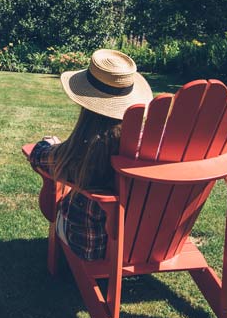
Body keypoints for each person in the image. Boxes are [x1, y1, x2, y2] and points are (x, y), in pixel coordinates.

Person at [29, 48, 154, 262]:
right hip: (149, 244)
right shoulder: (148, 148)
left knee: (67, 183)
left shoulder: (83, 150)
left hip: (89, 245)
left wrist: (49, 143)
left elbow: (38, 156)